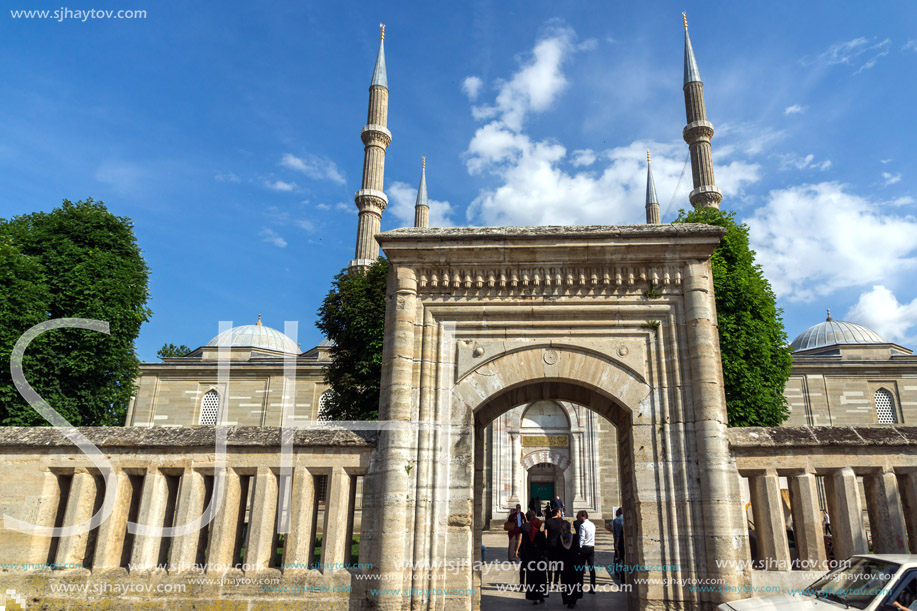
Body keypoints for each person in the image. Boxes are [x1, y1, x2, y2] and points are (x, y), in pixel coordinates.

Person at [516, 510, 549, 604]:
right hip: (540, 560)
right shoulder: (540, 534)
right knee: (541, 578)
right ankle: (541, 596)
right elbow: (545, 547)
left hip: (530, 560)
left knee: (532, 579)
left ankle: (534, 598)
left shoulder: (527, 535)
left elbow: (525, 547)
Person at [557, 520, 584, 609]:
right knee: (574, 581)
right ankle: (573, 599)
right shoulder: (574, 537)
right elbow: (578, 550)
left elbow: (557, 551)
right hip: (574, 562)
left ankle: (568, 600)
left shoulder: (559, 538)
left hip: (564, 564)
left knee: (566, 582)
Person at [544, 506, 565, 588]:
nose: (561, 513)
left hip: (550, 545)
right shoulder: (562, 521)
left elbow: (545, 533)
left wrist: (547, 541)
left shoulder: (548, 521)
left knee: (549, 565)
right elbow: (563, 533)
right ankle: (556, 582)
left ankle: (549, 582)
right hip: (559, 546)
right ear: (557, 513)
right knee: (557, 565)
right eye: (560, 512)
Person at [576, 510, 596, 594]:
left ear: (583, 516)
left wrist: (579, 548)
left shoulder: (583, 526)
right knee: (591, 567)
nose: (578, 519)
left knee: (581, 568)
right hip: (591, 547)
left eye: (579, 516)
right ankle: (593, 587)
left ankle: (580, 587)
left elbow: (582, 538)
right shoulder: (592, 524)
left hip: (584, 548)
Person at [611, 507, 625, 583]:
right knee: (623, 559)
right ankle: (623, 575)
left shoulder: (615, 520)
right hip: (623, 541)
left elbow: (609, 526)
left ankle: (616, 572)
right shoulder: (625, 520)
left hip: (617, 541)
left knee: (617, 557)